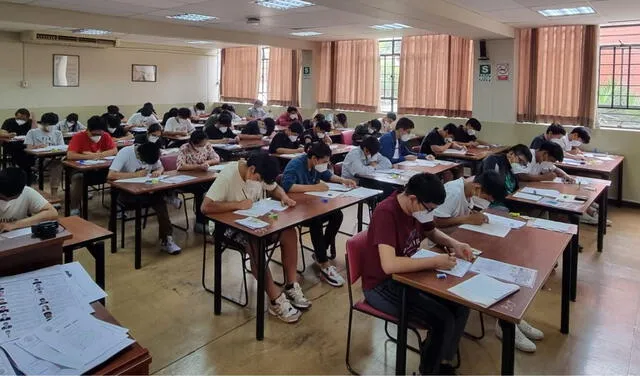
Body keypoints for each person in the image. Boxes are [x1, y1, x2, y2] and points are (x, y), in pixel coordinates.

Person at [361, 173, 472, 375]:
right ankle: (429, 370)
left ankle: (441, 360)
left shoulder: (418, 210)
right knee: (442, 319)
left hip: (408, 276)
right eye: (429, 208)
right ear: (412, 198)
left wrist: (455, 244)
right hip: (381, 285)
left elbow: (431, 232)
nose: (429, 213)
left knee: (460, 304)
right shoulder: (386, 212)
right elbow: (389, 265)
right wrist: (436, 261)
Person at [201, 155, 311, 322]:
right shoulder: (228, 175)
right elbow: (206, 207)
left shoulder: (259, 171)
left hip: (254, 219)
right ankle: (275, 299)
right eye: (259, 179)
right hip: (225, 227)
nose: (260, 183)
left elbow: (274, 187)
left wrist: (283, 197)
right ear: (252, 170)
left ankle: (291, 285)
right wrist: (237, 205)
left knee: (289, 231)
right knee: (254, 242)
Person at [281, 142, 357, 286]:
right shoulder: (296, 164)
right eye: (324, 162)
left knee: (337, 215)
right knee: (315, 220)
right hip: (296, 209)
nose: (325, 164)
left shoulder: (317, 166)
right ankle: (323, 263)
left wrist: (342, 180)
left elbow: (327, 175)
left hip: (311, 204)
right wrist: (315, 187)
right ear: (315, 159)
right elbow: (287, 186)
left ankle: (319, 252)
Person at [107, 142, 181, 254]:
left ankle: (167, 239)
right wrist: (135, 175)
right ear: (140, 155)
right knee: (158, 198)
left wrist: (158, 171)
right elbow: (111, 175)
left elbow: (160, 167)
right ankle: (168, 197)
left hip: (146, 190)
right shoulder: (125, 153)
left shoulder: (152, 152)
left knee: (160, 204)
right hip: (126, 193)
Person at [66, 116, 118, 216]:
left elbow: (114, 151)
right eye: (94, 134)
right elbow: (70, 155)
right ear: (88, 130)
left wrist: (97, 155)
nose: (97, 136)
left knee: (116, 175)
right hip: (80, 170)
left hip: (101, 169)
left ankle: (117, 205)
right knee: (78, 178)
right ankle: (74, 207)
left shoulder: (105, 135)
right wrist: (89, 157)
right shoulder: (78, 136)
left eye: (100, 134)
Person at [176, 130, 221, 233]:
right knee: (201, 191)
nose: (203, 146)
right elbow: (180, 166)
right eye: (201, 144)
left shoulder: (207, 145)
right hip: (188, 180)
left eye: (204, 144)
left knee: (215, 188)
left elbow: (216, 158)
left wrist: (207, 162)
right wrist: (198, 166)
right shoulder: (184, 148)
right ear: (194, 142)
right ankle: (200, 223)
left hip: (204, 177)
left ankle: (214, 220)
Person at [433, 171, 506, 228]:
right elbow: (436, 222)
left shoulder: (469, 191)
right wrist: (467, 219)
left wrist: (474, 216)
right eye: (486, 199)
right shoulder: (453, 192)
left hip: (458, 232)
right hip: (442, 237)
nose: (486, 202)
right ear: (477, 188)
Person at [0, 168, 58, 233]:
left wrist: (14, 224)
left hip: (15, 235)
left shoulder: (26, 191)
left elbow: (52, 213)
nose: (5, 201)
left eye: (5, 198)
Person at [24, 113, 65, 196]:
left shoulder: (57, 133)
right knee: (57, 164)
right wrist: (37, 147)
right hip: (38, 159)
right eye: (48, 124)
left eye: (53, 125)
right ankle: (53, 194)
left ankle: (55, 193)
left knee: (58, 163)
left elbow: (62, 147)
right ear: (42, 123)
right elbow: (28, 149)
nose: (51, 127)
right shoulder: (32, 132)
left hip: (55, 157)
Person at [2, 109, 35, 182]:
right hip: (12, 144)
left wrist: (34, 119)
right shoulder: (9, 122)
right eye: (18, 118)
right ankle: (25, 172)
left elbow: (36, 132)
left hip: (26, 144)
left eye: (23, 119)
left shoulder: (30, 122)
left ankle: (27, 171)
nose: (20, 120)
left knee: (29, 152)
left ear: (27, 118)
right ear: (15, 116)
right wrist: (8, 135)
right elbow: (2, 132)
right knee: (21, 153)